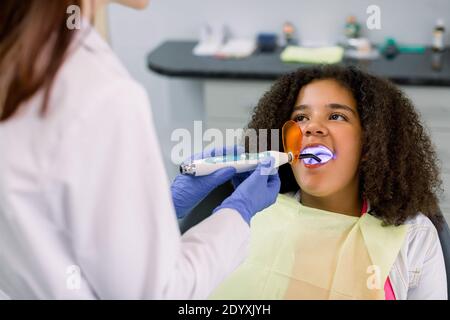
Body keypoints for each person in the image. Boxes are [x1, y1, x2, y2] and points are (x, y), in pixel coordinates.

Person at [0, 0, 280, 299]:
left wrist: (164, 207)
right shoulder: (101, 93)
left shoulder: (21, 53)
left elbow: (54, 225)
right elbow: (155, 294)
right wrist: (238, 214)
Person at [210, 65, 447, 300]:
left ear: (369, 142)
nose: (312, 127)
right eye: (301, 117)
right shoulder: (250, 215)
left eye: (336, 116)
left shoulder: (413, 235)